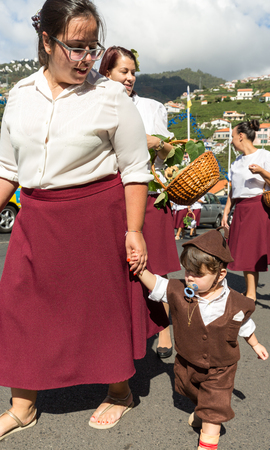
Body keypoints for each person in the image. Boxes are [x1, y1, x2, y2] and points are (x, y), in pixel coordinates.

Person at [0, 0, 164, 440]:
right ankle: (22, 406)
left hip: (96, 214)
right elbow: (6, 169)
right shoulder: (18, 96)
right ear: (46, 41)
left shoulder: (110, 96)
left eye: (93, 47)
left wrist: (134, 232)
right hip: (35, 215)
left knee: (101, 306)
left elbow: (135, 170)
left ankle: (119, 390)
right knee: (20, 305)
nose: (87, 58)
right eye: (76, 47)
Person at [131, 227, 269, 450]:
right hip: (188, 362)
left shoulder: (236, 303)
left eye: (197, 274)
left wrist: (255, 343)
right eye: (187, 271)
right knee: (194, 392)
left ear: (220, 275)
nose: (189, 277)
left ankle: (209, 437)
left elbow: (243, 324)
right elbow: (157, 284)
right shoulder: (179, 290)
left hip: (221, 367)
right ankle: (203, 412)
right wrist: (139, 270)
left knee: (215, 402)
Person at [99, 47, 181, 359]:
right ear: (107, 73)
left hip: (149, 194)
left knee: (155, 264)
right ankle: (122, 329)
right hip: (111, 196)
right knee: (118, 269)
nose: (131, 78)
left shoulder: (152, 108)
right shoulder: (94, 107)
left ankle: (163, 329)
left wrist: (157, 143)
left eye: (134, 72)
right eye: (124, 72)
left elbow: (172, 155)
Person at [221, 120, 270, 301]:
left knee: (250, 251)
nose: (231, 141)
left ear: (241, 136)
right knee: (240, 251)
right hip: (240, 208)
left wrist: (261, 171)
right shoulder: (236, 163)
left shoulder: (266, 156)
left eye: (232, 137)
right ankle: (250, 293)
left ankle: (251, 294)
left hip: (258, 207)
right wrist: (226, 212)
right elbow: (232, 190)